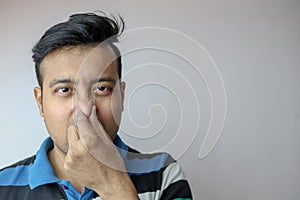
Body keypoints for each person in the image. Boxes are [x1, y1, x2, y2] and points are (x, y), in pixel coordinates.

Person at [0, 12, 193, 199]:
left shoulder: (163, 174)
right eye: (64, 90)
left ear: (122, 96)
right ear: (40, 102)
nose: (85, 109)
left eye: (101, 88)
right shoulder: (2, 186)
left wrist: (113, 185)